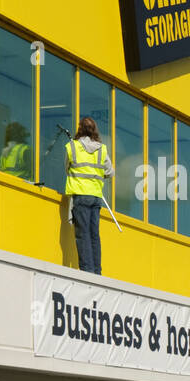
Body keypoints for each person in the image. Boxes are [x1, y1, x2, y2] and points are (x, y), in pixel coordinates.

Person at [64, 116, 114, 275]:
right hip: (95, 196)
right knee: (94, 235)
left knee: (82, 234)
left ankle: (87, 271)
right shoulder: (102, 149)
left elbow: (67, 168)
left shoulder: (72, 147)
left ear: (80, 129)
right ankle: (96, 271)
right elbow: (110, 172)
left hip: (81, 195)